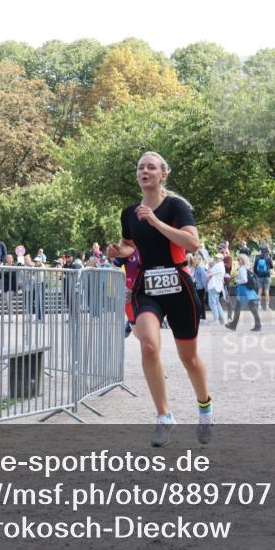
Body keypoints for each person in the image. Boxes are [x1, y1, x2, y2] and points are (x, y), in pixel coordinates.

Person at [106, 151, 211, 447]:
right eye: (140, 167)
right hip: (147, 287)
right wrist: (119, 251)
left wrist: (155, 221)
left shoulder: (176, 207)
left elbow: (192, 242)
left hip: (178, 287)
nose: (144, 171)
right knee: (149, 345)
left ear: (163, 174)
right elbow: (130, 247)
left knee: (188, 358)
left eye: (151, 167)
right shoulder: (129, 213)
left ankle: (204, 409)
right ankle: (164, 416)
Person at [226, 254, 261, 332]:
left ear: (243, 260)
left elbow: (245, 280)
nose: (238, 261)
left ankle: (233, 325)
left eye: (240, 259)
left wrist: (236, 281)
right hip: (247, 291)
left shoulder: (242, 269)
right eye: (238, 259)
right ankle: (257, 325)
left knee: (239, 308)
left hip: (244, 291)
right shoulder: (246, 268)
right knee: (251, 309)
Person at [207, 253, 227, 325]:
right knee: (216, 303)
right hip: (217, 286)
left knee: (212, 303)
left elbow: (209, 272)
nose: (216, 259)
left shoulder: (218, 265)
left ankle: (216, 320)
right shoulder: (220, 265)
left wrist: (209, 265)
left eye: (218, 258)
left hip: (214, 286)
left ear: (221, 259)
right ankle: (223, 319)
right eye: (216, 258)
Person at [253, 244, 273, 311]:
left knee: (260, 291)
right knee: (267, 291)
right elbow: (271, 267)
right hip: (267, 276)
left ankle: (259, 306)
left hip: (259, 277)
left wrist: (258, 274)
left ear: (260, 251)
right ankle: (267, 307)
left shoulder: (257, 258)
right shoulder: (268, 258)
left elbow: (254, 269)